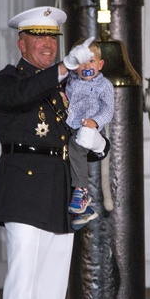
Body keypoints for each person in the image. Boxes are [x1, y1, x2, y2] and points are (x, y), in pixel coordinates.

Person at [0, 5, 93, 299]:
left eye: (53, 40)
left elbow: (69, 137)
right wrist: (64, 68)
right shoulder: (9, 80)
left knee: (50, 295)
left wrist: (93, 143)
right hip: (24, 188)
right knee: (22, 289)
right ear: (22, 43)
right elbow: (20, 98)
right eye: (40, 38)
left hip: (59, 190)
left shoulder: (61, 87)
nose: (48, 45)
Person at [64, 37, 113, 229]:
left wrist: (96, 121)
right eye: (81, 62)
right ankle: (83, 211)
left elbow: (108, 110)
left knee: (77, 147)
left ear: (100, 65)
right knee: (69, 160)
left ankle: (81, 192)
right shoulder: (71, 81)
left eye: (91, 61)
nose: (86, 66)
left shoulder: (104, 85)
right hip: (70, 125)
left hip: (88, 129)